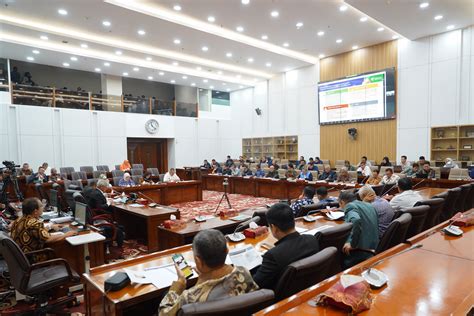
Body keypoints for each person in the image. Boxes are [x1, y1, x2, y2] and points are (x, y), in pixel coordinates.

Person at [159, 229, 258, 315]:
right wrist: (203, 278)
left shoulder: (189, 297)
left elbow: (163, 313)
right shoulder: (243, 272)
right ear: (227, 251)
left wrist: (179, 284)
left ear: (198, 261)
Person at [252, 203, 320, 289]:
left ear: (273, 227)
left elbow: (255, 285)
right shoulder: (312, 240)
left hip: (279, 299)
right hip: (307, 288)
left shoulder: (273, 255)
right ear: (293, 221)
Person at [10, 198, 77, 261]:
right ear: (35, 211)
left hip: (21, 258)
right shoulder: (34, 223)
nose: (43, 208)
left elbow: (35, 232)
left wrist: (51, 227)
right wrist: (66, 235)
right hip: (32, 257)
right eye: (41, 206)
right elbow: (48, 239)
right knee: (63, 249)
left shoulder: (19, 220)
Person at [339, 191, 379, 268]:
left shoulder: (349, 206)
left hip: (362, 251)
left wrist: (353, 244)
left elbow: (356, 220)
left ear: (342, 202)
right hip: (374, 246)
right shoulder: (368, 205)